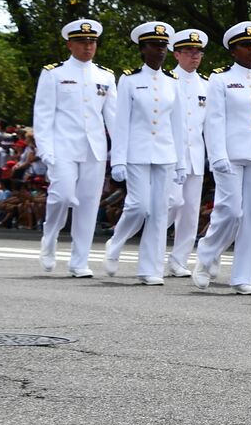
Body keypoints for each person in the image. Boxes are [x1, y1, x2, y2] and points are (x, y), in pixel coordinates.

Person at [193, 23, 251, 295]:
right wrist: (217, 155)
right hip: (231, 155)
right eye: (247, 46)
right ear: (233, 51)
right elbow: (213, 121)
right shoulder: (220, 79)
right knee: (231, 211)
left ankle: (243, 276)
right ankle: (207, 254)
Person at [105, 22, 189, 284]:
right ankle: (116, 241)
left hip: (165, 153)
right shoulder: (129, 80)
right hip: (137, 152)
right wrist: (117, 159)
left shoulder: (173, 82)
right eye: (155, 45)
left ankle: (150, 269)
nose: (161, 50)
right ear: (143, 49)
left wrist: (181, 162)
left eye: (164, 46)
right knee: (139, 206)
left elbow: (178, 125)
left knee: (159, 211)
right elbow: (121, 123)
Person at [33, 19, 119, 277]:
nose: (88, 46)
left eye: (92, 41)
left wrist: (120, 150)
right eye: (82, 42)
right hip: (62, 147)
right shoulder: (54, 73)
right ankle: (50, 236)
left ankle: (79, 261)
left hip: (94, 149)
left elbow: (112, 117)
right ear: (70, 44)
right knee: (62, 195)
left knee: (88, 205)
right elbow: (43, 115)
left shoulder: (105, 75)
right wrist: (45, 149)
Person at [165, 28, 209, 278]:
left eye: (198, 51)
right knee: (172, 202)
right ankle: (153, 248)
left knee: (191, 211)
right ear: (176, 54)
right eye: (189, 51)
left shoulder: (206, 84)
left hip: (195, 155)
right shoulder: (168, 80)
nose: (194, 56)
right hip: (171, 154)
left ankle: (178, 259)